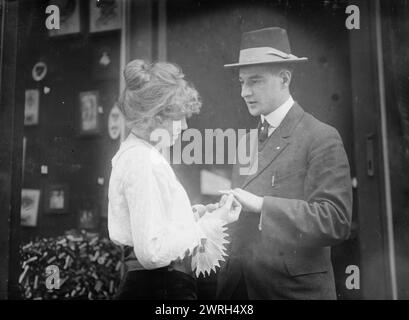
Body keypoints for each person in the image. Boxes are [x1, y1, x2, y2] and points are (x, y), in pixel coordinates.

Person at [216, 27, 353, 300]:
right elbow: (239, 218)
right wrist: (215, 216)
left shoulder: (320, 136)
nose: (244, 92)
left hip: (292, 293)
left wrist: (262, 205)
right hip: (239, 290)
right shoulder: (246, 142)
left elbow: (335, 220)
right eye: (242, 82)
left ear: (284, 78)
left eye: (255, 81)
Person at [108, 59, 241, 300]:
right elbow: (153, 252)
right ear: (155, 117)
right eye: (179, 118)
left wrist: (195, 216)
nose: (185, 125)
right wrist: (210, 224)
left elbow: (154, 225)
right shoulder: (142, 161)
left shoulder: (139, 155)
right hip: (160, 288)